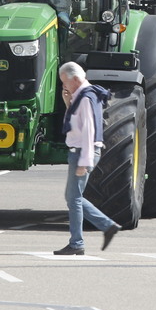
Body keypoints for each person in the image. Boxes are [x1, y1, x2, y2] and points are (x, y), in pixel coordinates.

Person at [53, 62, 121, 255]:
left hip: (82, 152)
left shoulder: (85, 98)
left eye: (64, 82)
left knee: (73, 199)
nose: (64, 86)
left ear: (75, 79)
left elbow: (89, 131)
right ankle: (107, 226)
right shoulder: (83, 96)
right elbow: (76, 123)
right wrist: (68, 103)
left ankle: (77, 243)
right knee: (72, 197)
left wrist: (85, 161)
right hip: (80, 151)